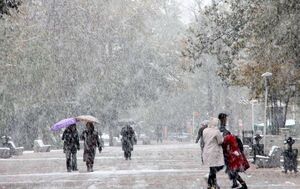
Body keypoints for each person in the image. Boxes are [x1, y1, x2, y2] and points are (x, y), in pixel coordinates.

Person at [218, 113, 249, 189]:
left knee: (232, 170)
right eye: (225, 119)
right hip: (227, 154)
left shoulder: (223, 130)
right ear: (222, 119)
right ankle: (238, 183)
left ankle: (240, 184)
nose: (226, 120)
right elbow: (224, 142)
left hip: (227, 154)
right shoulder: (223, 130)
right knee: (232, 170)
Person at [202, 117, 224, 189]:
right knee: (215, 168)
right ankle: (211, 183)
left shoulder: (205, 130)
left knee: (212, 168)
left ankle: (212, 184)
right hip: (214, 152)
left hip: (206, 151)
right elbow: (220, 141)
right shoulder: (216, 131)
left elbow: (204, 140)